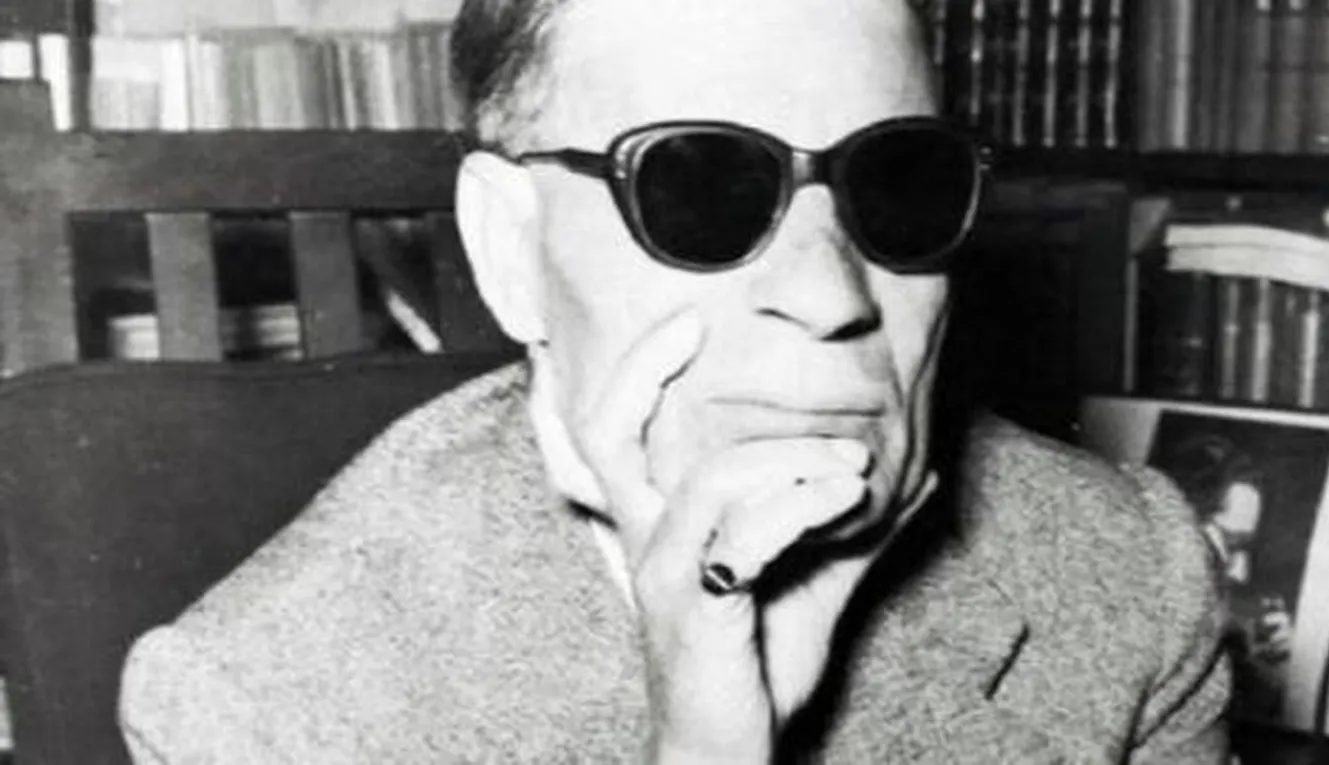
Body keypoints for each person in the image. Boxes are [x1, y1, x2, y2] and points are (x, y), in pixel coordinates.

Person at [117, 0, 1230, 762]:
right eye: (702, 188)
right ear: (511, 252)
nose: (830, 293)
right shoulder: (265, 703)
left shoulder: (1131, 572)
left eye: (897, 183)